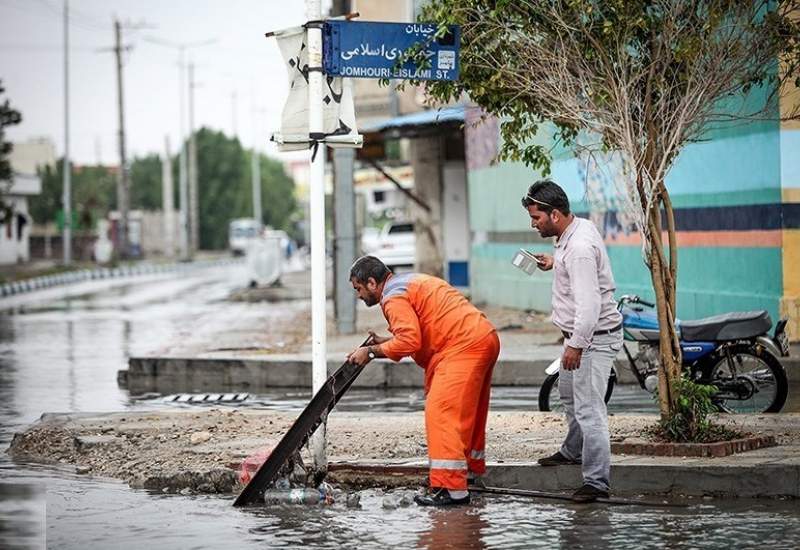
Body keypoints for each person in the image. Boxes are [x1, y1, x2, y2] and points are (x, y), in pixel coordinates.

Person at [346, 256, 500, 506]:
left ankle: (453, 490)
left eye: (358, 289)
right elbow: (422, 328)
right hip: (482, 337)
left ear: (372, 283)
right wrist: (384, 342)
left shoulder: (392, 298)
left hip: (461, 346)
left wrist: (371, 352)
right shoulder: (407, 283)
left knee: (441, 413)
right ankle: (469, 474)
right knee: (468, 414)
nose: (359, 295)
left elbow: (409, 341)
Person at [522, 179, 623, 503]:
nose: (533, 224)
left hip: (591, 340)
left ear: (554, 215)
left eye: (536, 218)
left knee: (590, 410)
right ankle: (572, 450)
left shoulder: (577, 249)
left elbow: (590, 305)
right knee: (568, 395)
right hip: (579, 338)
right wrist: (554, 263)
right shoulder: (575, 232)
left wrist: (577, 345)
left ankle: (596, 482)